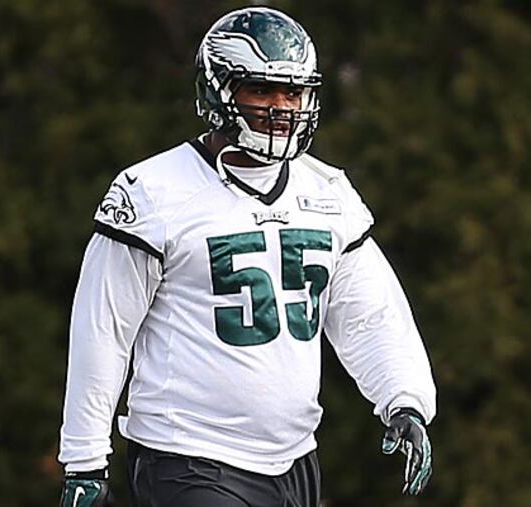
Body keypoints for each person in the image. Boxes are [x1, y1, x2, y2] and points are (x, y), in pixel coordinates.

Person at [58, 6, 436, 507]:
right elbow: (103, 329)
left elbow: (369, 315)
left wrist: (404, 400)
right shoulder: (153, 192)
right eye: (262, 90)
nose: (281, 107)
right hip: (187, 456)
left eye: (293, 92)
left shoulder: (328, 192)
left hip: (295, 459)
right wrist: (85, 458)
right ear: (219, 91)